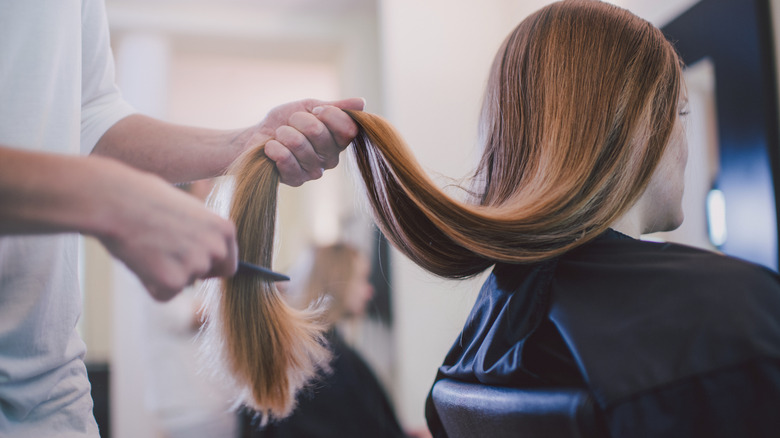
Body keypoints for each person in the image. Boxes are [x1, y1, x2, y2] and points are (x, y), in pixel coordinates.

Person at [341, 1, 780, 436]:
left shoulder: (485, 332)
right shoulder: (737, 314)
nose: (685, 139)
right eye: (681, 112)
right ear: (637, 123)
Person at [0, 1, 363, 436]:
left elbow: (90, 118)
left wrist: (247, 142)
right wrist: (103, 194)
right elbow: (179, 315)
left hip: (50, 391)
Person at [247, 243, 425, 438]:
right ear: (338, 280)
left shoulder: (311, 349)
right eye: (361, 280)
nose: (369, 291)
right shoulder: (325, 361)